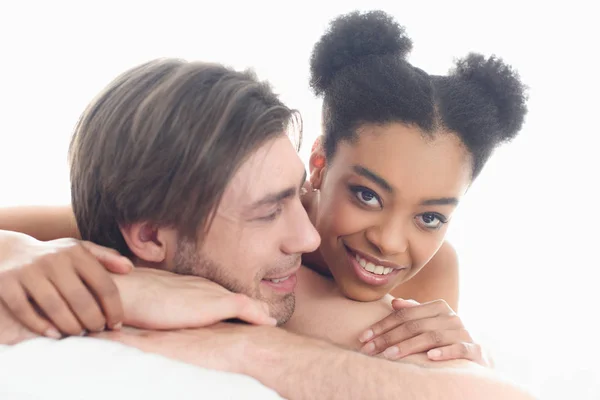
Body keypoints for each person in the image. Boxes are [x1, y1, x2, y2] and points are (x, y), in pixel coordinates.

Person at [0, 10, 527, 364]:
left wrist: (460, 357)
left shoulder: (435, 269)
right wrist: (15, 249)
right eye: (367, 195)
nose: (390, 241)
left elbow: (426, 372)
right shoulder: (236, 216)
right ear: (319, 164)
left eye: (431, 216)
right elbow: (93, 220)